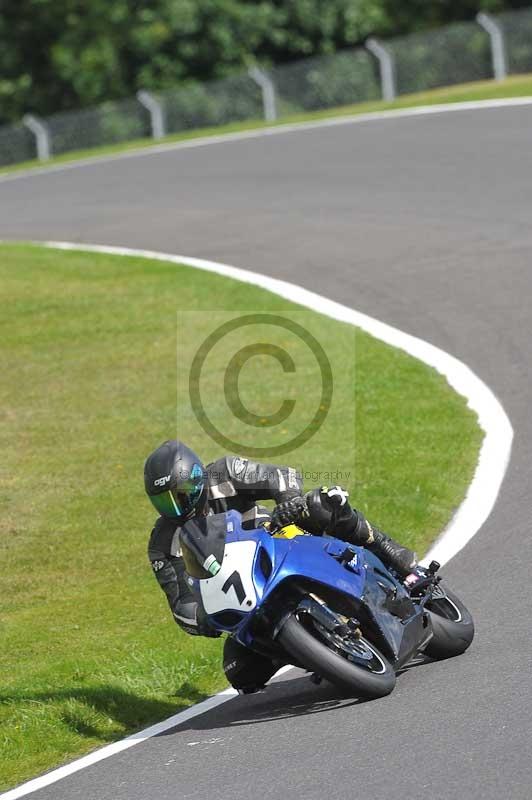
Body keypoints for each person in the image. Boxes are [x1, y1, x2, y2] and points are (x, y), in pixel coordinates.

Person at [145, 439, 418, 693]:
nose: (176, 506)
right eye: (164, 501)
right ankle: (315, 652)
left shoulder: (223, 473)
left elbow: (279, 475)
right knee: (240, 673)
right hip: (245, 601)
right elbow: (181, 604)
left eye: (181, 494)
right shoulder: (162, 544)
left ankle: (387, 549)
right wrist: (203, 618)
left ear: (196, 478)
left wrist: (289, 499)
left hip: (281, 543)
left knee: (322, 502)